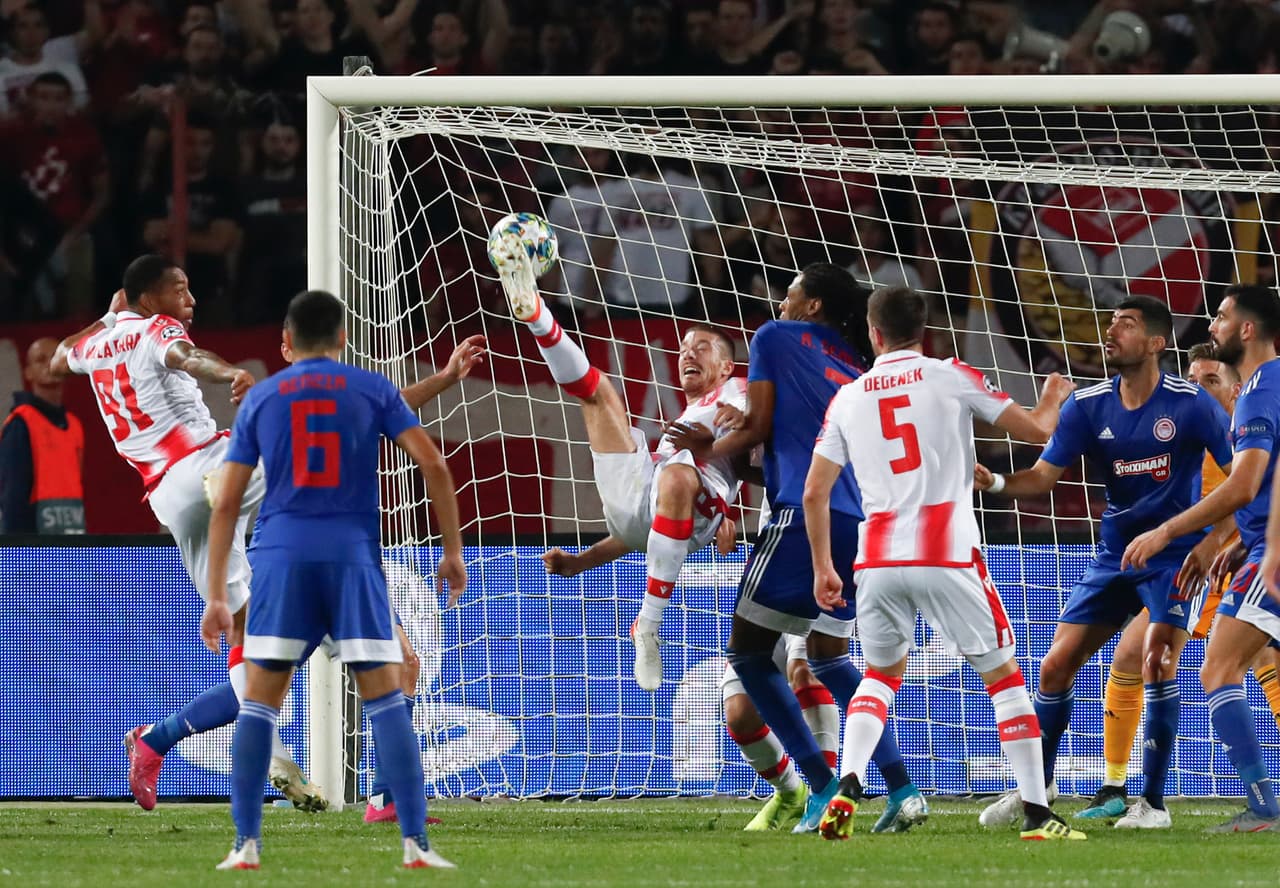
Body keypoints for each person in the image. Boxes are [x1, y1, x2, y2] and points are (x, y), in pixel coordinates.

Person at [201, 288, 466, 869]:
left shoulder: (264, 396)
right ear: (343, 337)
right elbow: (435, 464)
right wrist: (451, 550)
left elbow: (224, 504)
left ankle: (245, 845)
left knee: (259, 706)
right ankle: (416, 846)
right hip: (351, 558)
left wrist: (218, 593)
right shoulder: (370, 389)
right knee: (388, 700)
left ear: (288, 341)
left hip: (281, 560)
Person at [48, 254, 324, 812]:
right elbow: (187, 356)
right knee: (314, 446)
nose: (190, 299)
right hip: (206, 468)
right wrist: (233, 375)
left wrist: (105, 319)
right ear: (149, 299)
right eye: (180, 289)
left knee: (244, 631)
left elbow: (58, 358)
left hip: (167, 497)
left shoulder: (97, 342)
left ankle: (190, 748)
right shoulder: (156, 330)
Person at [806, 285, 1081, 841]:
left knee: (880, 674)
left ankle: (850, 780)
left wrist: (821, 568)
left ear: (873, 333)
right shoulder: (950, 373)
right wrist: (1053, 396)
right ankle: (1036, 814)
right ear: (923, 331)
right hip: (946, 549)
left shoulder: (849, 396)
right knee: (1003, 677)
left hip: (876, 557)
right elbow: (1038, 430)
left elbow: (815, 492)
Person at [668, 264, 923, 834]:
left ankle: (822, 784)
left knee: (748, 655)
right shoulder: (860, 364)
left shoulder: (775, 337)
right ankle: (903, 789)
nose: (780, 303)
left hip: (806, 515)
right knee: (830, 657)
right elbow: (788, 441)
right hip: (863, 521)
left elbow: (757, 428)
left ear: (811, 306)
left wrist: (706, 450)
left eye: (789, 294)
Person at [976, 297, 1233, 831]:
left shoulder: (1192, 404)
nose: (1111, 330)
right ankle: (1036, 790)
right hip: (1114, 555)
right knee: (1053, 666)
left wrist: (1209, 546)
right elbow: (1043, 478)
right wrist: (996, 482)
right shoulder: (1088, 406)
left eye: (1128, 324)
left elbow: (1245, 486)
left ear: (1157, 343)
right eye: (1112, 320)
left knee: (1157, 660)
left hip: (1174, 558)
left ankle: (1153, 806)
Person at [490, 230, 743, 691]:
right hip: (651, 500)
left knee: (681, 472)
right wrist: (582, 562)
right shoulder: (681, 425)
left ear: (727, 367)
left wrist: (736, 499)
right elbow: (643, 528)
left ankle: (647, 624)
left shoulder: (738, 393)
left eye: (702, 347)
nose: (688, 352)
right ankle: (534, 313)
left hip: (700, 509)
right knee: (598, 394)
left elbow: (759, 440)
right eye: (684, 347)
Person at [1082, 342, 1280, 820]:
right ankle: (1115, 784)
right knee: (1135, 653)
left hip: (1231, 561)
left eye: (1210, 381)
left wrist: (1215, 542)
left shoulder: (1250, 432)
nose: (1198, 391)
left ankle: (1258, 804)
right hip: (1194, 570)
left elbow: (1249, 496)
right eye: (1193, 381)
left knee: (1255, 664)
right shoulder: (1185, 430)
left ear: (1236, 389)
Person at [0, 336, 84, 533]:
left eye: (55, 356)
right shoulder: (20, 424)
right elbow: (12, 497)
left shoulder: (75, 425)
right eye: (40, 359)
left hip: (74, 539)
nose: (49, 364)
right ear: (28, 373)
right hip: (36, 549)